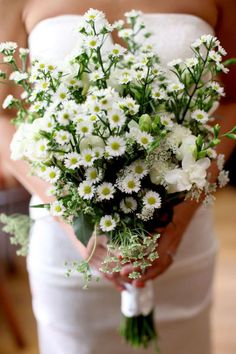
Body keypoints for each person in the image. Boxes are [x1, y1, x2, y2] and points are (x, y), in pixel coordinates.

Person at [0, 0, 235, 353]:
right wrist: (71, 218)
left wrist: (176, 224)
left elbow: (231, 102)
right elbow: (3, 117)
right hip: (68, 245)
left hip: (179, 238)